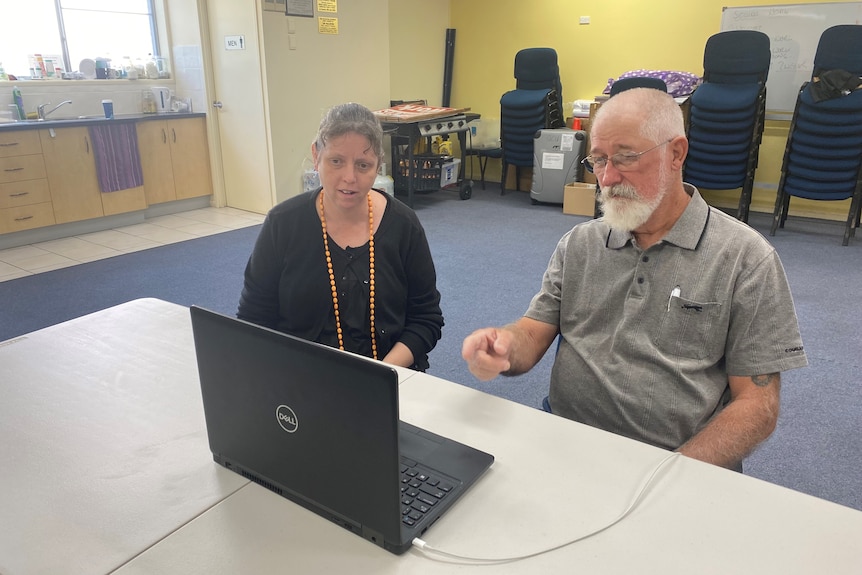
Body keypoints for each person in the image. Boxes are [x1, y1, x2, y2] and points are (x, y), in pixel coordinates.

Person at [461, 88, 807, 470]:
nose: (607, 177)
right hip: (565, 441)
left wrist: (671, 473)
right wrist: (502, 347)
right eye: (598, 160)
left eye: (626, 158)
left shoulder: (745, 258)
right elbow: (532, 332)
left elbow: (757, 404)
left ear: (676, 153)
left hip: (676, 462)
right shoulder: (581, 243)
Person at [238, 102, 443, 371]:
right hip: (302, 379)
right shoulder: (282, 224)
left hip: (390, 378)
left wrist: (382, 372)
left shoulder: (404, 226)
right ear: (316, 155)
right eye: (336, 161)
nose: (349, 178)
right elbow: (253, 319)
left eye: (363, 165)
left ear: (378, 166)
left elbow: (426, 318)